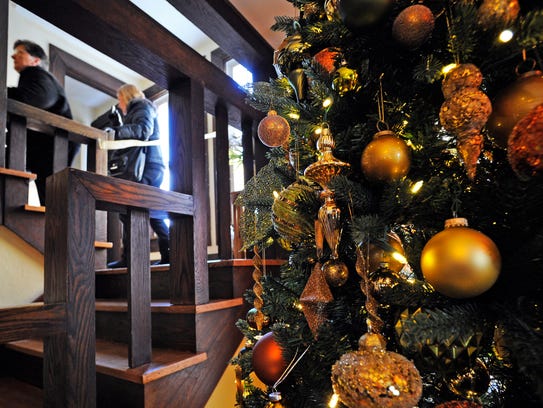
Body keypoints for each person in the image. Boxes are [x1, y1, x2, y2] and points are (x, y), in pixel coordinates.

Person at [7, 39, 79, 204]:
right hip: (48, 147)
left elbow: (36, 98)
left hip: (53, 147)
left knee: (52, 200)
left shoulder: (36, 74)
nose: (13, 56)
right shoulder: (34, 76)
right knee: (50, 200)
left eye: (20, 53)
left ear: (36, 60)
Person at [107, 84, 170, 268]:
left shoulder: (142, 106)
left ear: (126, 96)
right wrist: (118, 124)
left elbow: (143, 131)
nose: (119, 104)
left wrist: (117, 131)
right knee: (150, 211)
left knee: (131, 210)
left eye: (119, 99)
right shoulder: (140, 109)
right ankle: (169, 253)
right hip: (150, 165)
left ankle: (131, 259)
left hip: (147, 166)